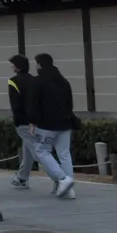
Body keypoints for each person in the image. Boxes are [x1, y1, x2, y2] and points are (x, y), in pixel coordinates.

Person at [26, 52, 76, 199]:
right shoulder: (63, 81)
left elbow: (33, 104)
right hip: (65, 122)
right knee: (64, 153)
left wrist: (32, 121)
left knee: (42, 151)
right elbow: (70, 103)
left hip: (46, 124)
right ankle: (69, 186)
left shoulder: (38, 81)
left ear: (40, 64)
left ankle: (62, 179)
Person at [7, 55, 36, 188]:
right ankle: (22, 178)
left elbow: (15, 104)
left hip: (23, 121)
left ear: (17, 67)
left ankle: (59, 177)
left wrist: (17, 120)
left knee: (37, 151)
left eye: (12, 64)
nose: (11, 66)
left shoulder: (13, 81)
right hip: (35, 119)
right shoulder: (34, 80)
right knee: (28, 149)